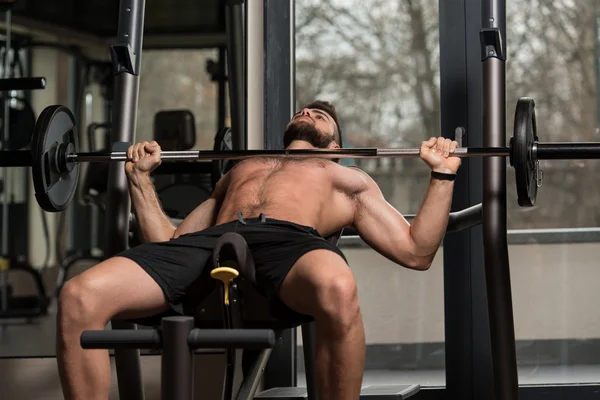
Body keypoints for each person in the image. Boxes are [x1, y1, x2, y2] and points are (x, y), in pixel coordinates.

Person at [56, 100, 460, 400]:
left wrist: (442, 174)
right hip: (211, 243)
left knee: (337, 285)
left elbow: (416, 251)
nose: (308, 112)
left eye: (321, 117)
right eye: (304, 110)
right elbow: (170, 247)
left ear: (335, 147)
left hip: (292, 243)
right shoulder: (242, 169)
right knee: (79, 295)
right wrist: (141, 182)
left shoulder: (345, 177)